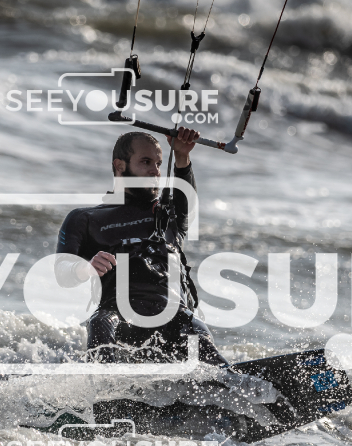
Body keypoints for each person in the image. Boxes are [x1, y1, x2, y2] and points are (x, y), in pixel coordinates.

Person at [55, 128, 229, 367]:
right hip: (118, 316)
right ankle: (103, 385)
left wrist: (182, 155)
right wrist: (85, 268)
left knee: (198, 334)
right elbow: (62, 271)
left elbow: (186, 196)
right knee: (99, 323)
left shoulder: (169, 216)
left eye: (158, 163)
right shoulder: (85, 219)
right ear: (120, 166)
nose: (155, 171)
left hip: (174, 316)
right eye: (146, 162)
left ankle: (232, 379)